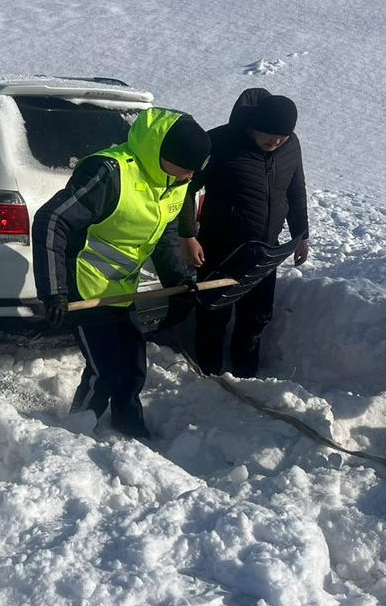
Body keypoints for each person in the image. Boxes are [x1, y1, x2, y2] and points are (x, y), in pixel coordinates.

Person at [33, 109, 209, 439]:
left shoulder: (173, 182)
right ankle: (74, 433)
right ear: (164, 157)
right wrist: (54, 290)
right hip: (84, 283)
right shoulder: (110, 173)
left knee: (132, 367)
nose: (190, 178)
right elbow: (52, 220)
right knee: (106, 371)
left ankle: (128, 424)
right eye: (186, 169)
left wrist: (178, 281)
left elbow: (164, 235)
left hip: (122, 288)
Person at [177, 88, 309, 377]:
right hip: (221, 246)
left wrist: (302, 234)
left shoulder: (290, 145)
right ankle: (208, 373)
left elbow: (296, 189)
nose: (275, 141)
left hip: (265, 249)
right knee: (214, 312)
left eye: (282, 136)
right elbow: (184, 188)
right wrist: (187, 235)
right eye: (269, 134)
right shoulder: (218, 143)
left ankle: (246, 372)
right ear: (253, 126)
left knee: (257, 316)